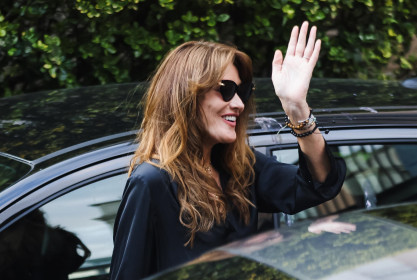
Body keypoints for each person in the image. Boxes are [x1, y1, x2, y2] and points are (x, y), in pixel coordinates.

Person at [110, 21, 346, 279]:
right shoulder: (152, 182)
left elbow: (318, 185)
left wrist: (296, 108)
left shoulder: (239, 168)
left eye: (242, 92)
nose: (238, 104)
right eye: (226, 90)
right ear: (186, 95)